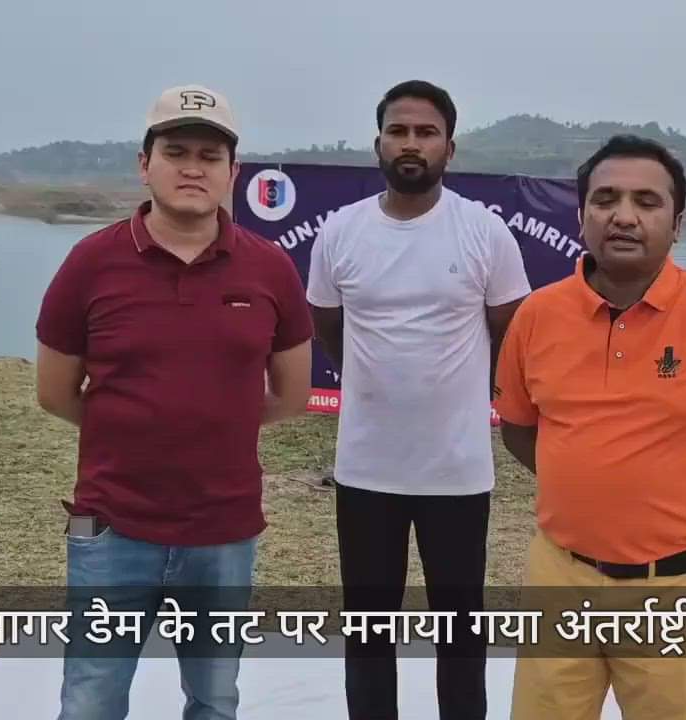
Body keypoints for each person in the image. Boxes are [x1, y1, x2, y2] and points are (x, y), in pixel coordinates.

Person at [35, 84, 314, 720]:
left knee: (214, 700)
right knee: (91, 698)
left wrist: (218, 424)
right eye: (177, 150)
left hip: (224, 531)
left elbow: (291, 394)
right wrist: (132, 430)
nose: (194, 167)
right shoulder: (90, 263)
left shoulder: (269, 269)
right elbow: (55, 393)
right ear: (145, 163)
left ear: (232, 173)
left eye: (211, 156)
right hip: (108, 528)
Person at [494, 135, 686, 720]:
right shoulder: (536, 316)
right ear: (581, 216)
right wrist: (586, 490)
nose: (623, 216)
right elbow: (519, 430)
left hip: (679, 588)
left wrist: (679, 511)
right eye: (605, 199)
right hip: (561, 575)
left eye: (647, 202)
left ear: (677, 223)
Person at [306, 79, 531, 720]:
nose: (411, 143)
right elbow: (327, 325)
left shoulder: (484, 233)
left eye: (425, 133)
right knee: (369, 629)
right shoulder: (341, 233)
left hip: (457, 473)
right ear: (378, 142)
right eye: (399, 131)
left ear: (449, 148)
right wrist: (370, 377)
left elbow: (509, 331)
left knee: (460, 629)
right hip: (366, 469)